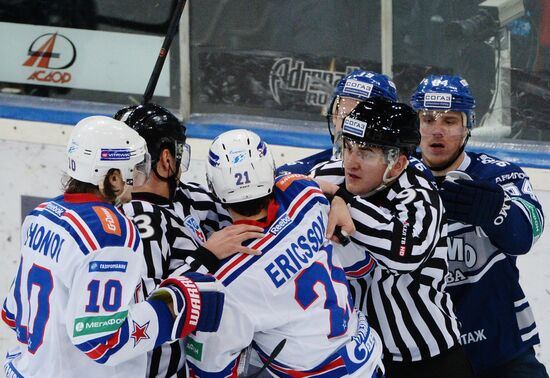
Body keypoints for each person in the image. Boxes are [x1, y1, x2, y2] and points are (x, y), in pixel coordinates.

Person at [1, 116, 223, 378]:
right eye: (134, 170)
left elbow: (12, 314)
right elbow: (101, 342)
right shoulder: (110, 234)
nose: (138, 179)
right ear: (113, 178)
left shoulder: (42, 215)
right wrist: (178, 306)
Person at [186, 129, 384, 377]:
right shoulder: (304, 193)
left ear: (214, 188)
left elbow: (210, 369)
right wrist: (341, 197)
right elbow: (361, 266)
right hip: (366, 355)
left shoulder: (228, 283)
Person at [316, 97, 473, 378]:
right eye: (348, 147)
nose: (351, 162)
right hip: (358, 358)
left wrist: (343, 201)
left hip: (429, 362)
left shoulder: (420, 196)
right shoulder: (330, 175)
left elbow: (405, 252)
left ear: (398, 163)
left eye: (365, 152)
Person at [410, 74, 547, 378]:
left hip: (503, 353)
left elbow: (526, 233)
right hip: (426, 357)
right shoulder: (394, 181)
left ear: (467, 127)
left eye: (449, 120)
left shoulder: (498, 176)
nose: (437, 130)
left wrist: (499, 212)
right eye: (428, 118)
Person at [115, 103, 264, 377]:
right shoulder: (138, 218)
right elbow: (145, 310)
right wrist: (206, 257)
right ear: (166, 159)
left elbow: (244, 204)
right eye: (178, 151)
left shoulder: (183, 196)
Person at [276, 69, 398, 177]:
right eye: (345, 116)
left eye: (364, 120)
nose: (352, 127)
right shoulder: (296, 177)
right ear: (334, 116)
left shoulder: (407, 180)